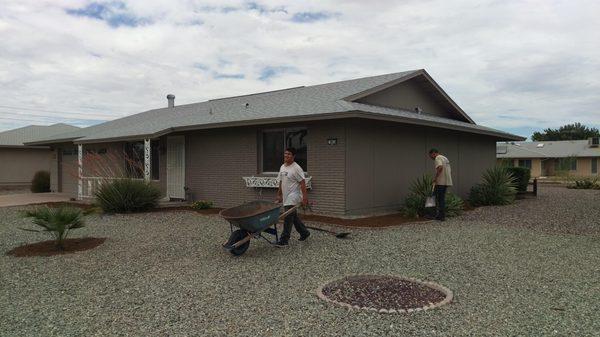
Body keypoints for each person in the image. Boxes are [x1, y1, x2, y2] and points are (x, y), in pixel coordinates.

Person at [275, 147, 310, 246]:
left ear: (293, 156)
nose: (286, 155)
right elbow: (281, 181)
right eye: (285, 153)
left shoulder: (296, 168)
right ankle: (304, 233)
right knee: (293, 217)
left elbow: (302, 183)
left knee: (288, 218)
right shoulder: (282, 167)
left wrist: (305, 198)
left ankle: (284, 240)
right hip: (286, 196)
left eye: (289, 154)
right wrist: (279, 194)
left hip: (293, 196)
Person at [428, 148, 453, 221]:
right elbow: (449, 170)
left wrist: (435, 178)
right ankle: (441, 216)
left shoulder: (437, 158)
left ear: (433, 153)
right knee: (441, 199)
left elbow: (440, 167)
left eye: (431, 156)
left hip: (440, 182)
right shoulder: (445, 158)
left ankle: (433, 214)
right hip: (446, 182)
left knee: (434, 197)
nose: (431, 158)